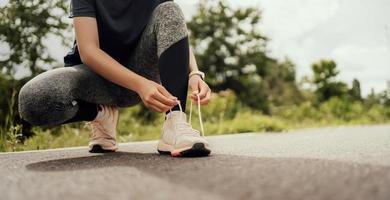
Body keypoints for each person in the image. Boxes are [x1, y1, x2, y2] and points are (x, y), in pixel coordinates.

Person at [17, 0, 212, 157]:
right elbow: (89, 51)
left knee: (170, 9)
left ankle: (175, 121)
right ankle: (101, 114)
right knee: (32, 100)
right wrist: (140, 84)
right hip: (96, 79)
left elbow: (174, 30)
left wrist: (194, 72)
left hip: (141, 71)